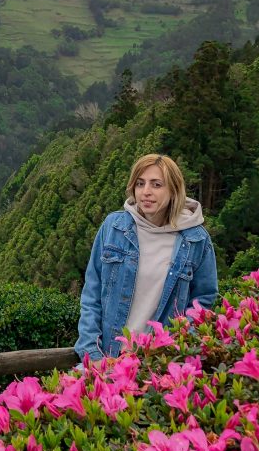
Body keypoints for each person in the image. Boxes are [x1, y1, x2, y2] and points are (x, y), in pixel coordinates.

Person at [75, 153, 218, 362]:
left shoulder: (196, 240)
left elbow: (203, 302)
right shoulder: (114, 227)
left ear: (173, 190)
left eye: (157, 184)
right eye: (140, 184)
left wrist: (171, 349)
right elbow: (91, 293)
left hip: (157, 364)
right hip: (108, 357)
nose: (146, 192)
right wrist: (93, 353)